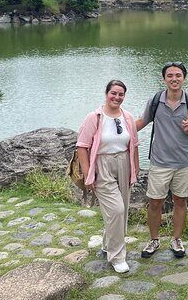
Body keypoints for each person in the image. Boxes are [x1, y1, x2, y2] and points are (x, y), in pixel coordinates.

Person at [136, 62, 188, 259]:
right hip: (160, 161)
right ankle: (154, 239)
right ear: (164, 79)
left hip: (184, 161)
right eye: (170, 75)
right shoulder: (156, 100)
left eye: (178, 75)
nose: (174, 79)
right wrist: (118, 131)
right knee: (155, 202)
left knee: (180, 202)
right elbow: (142, 121)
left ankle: (176, 239)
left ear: (184, 78)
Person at [76, 80, 140, 274]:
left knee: (123, 209)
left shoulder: (127, 117)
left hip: (123, 163)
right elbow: (82, 146)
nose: (117, 97)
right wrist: (89, 174)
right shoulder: (94, 117)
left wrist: (134, 170)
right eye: (113, 93)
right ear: (106, 93)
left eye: (121, 94)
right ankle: (117, 256)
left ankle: (107, 244)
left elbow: (134, 145)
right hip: (102, 165)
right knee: (116, 210)